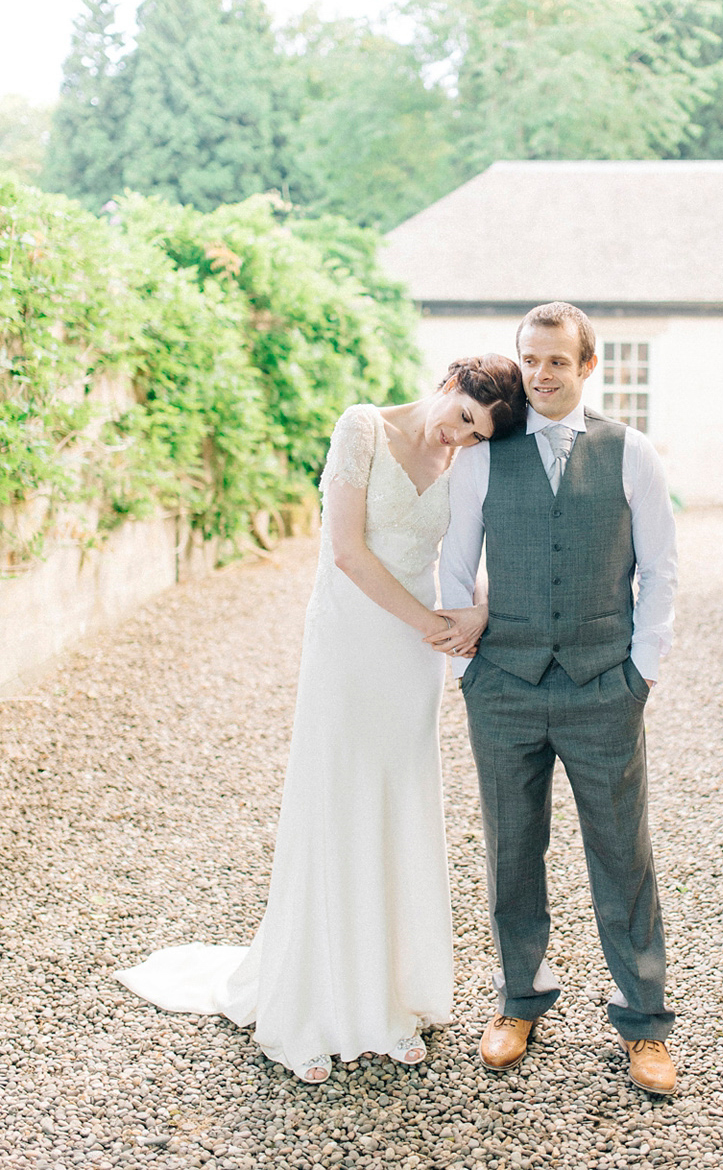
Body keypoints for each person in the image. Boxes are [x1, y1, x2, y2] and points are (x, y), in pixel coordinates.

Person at [116, 355, 527, 1083]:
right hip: (353, 636)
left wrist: (477, 614)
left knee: (398, 800)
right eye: (464, 417)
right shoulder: (362, 428)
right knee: (338, 797)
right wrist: (431, 625)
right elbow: (344, 551)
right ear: (449, 383)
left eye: (478, 436)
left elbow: (475, 554)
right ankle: (320, 999)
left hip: (411, 661)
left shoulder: (464, 464)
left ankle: (388, 997)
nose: (463, 438)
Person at [433, 302, 679, 1094]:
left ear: (586, 367)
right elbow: (453, 560)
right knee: (510, 851)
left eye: (557, 362)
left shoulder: (629, 452)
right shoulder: (482, 456)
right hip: (502, 685)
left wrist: (640, 671)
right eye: (530, 360)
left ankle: (643, 1022)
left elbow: (661, 571)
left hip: (604, 685)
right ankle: (518, 999)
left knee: (621, 854)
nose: (540, 374)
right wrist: (466, 664)